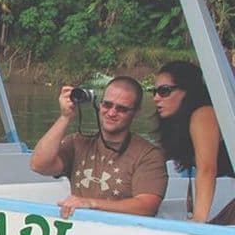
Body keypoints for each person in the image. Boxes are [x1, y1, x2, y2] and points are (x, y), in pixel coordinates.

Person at [30, 76, 168, 219]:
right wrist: (65, 117)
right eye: (107, 105)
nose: (112, 113)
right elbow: (39, 165)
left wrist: (91, 203)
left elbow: (147, 206)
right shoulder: (78, 142)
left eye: (121, 109)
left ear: (136, 112)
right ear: (99, 104)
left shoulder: (148, 154)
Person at [152, 60, 234, 223]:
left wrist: (199, 219)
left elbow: (207, 169)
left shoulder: (204, 114)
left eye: (164, 91)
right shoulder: (176, 125)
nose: (156, 98)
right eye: (154, 92)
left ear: (186, 91)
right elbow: (154, 158)